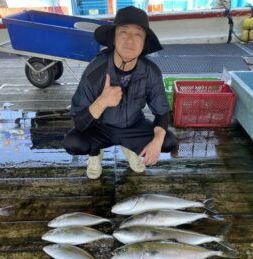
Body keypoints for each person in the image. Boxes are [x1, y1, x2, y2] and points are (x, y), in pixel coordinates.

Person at [64, 6, 177, 179]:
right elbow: (79, 122)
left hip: (133, 125)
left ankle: (130, 146)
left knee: (168, 140)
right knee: (73, 142)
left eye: (138, 34)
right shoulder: (96, 69)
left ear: (144, 42)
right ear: (114, 38)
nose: (130, 40)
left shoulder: (151, 71)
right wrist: (102, 101)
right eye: (124, 32)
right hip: (100, 127)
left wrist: (156, 141)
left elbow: (161, 112)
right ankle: (95, 155)